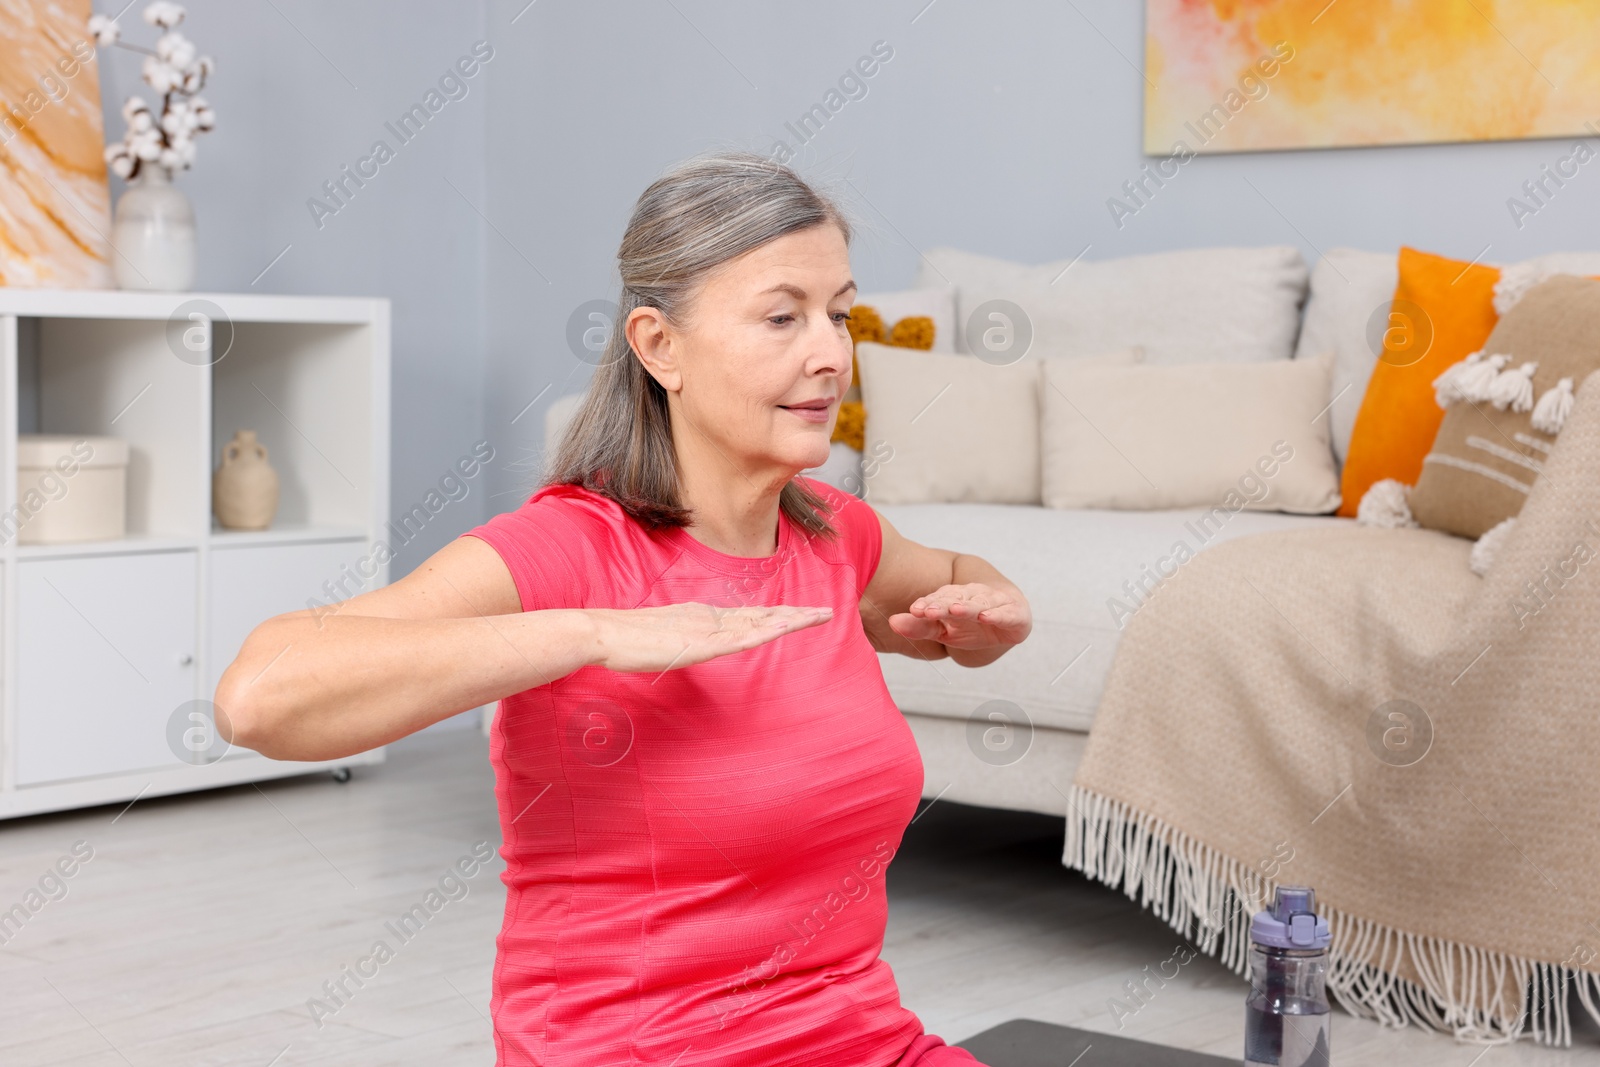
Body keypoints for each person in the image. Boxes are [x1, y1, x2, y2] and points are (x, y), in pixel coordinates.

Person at [216, 151, 1032, 1067]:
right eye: (782, 317)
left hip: (860, 1042)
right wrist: (590, 633)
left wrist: (987, 616)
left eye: (838, 314)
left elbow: (957, 578)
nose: (831, 352)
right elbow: (260, 697)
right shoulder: (569, 548)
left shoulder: (837, 537)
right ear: (658, 346)